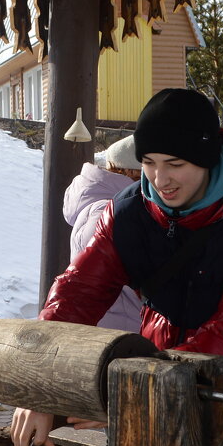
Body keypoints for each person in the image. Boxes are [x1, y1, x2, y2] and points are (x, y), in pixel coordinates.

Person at [10, 88, 223, 446]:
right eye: (149, 163)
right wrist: (39, 385)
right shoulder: (128, 212)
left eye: (175, 164)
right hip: (147, 406)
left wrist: (141, 394)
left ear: (207, 158)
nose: (160, 179)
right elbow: (76, 292)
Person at [62, 135, 142, 332]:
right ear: (132, 171)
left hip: (111, 326)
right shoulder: (108, 211)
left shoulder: (104, 203)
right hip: (120, 332)